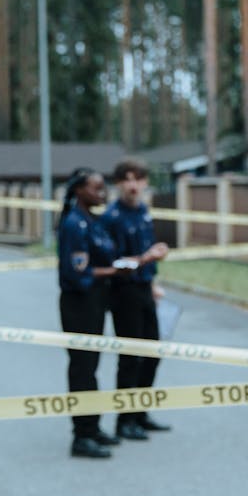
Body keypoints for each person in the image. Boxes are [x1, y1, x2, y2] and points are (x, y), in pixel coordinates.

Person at [58, 168, 124, 459]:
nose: (103, 193)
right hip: (79, 302)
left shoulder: (92, 221)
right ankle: (81, 435)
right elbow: (77, 272)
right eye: (96, 188)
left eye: (103, 187)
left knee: (92, 367)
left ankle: (93, 426)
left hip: (95, 300)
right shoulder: (75, 224)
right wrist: (114, 271)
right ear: (79, 191)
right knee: (82, 368)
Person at [102, 159, 170, 441]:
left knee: (153, 353)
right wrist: (146, 258)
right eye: (126, 179)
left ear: (144, 182)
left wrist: (152, 281)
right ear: (118, 183)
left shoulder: (143, 211)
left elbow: (145, 250)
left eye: (138, 179)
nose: (133, 185)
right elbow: (112, 262)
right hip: (123, 292)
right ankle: (124, 420)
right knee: (130, 357)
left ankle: (141, 413)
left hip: (144, 288)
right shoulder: (111, 218)